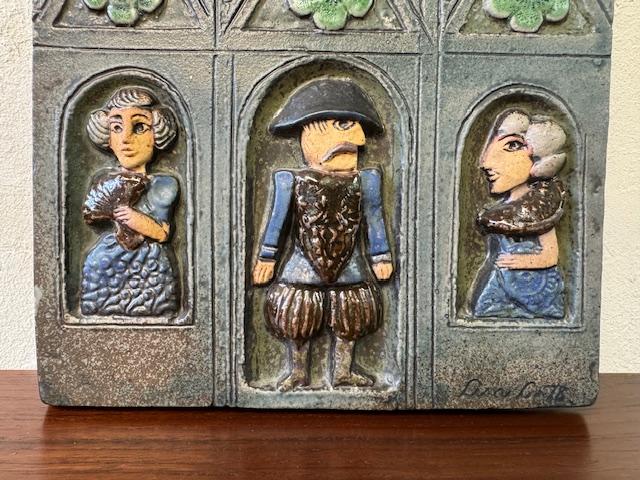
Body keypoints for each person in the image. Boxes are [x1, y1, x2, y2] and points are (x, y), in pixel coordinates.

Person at [252, 78, 394, 391]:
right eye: (344, 126)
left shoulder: (366, 181)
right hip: (302, 263)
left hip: (350, 264)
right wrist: (267, 257)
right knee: (297, 315)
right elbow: (277, 222)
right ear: (310, 131)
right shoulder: (289, 181)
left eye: (357, 129)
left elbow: (374, 219)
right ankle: (298, 372)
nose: (358, 140)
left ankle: (343, 372)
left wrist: (380, 255)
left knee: (351, 316)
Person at [80, 86, 180, 317]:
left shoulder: (163, 185)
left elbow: (163, 233)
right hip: (110, 257)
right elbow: (92, 214)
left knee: (153, 302)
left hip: (147, 261)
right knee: (98, 286)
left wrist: (135, 219)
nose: (126, 138)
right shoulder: (104, 180)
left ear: (157, 135)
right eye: (116, 127)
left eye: (139, 127)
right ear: (107, 137)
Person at [471, 109, 567, 319]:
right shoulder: (499, 211)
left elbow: (551, 256)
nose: (485, 164)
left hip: (534, 289)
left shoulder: (541, 207)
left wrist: (520, 261)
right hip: (501, 282)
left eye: (512, 146)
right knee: (484, 310)